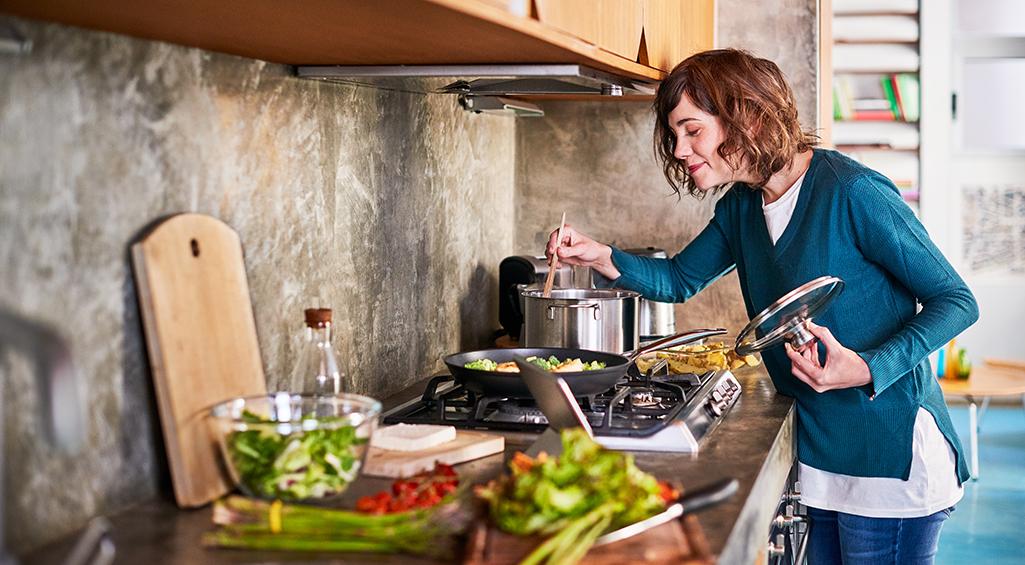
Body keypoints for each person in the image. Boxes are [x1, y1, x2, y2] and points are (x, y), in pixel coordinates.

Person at [546, 49, 978, 565]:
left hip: (889, 451)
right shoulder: (741, 207)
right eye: (675, 135)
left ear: (746, 115)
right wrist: (601, 256)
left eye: (692, 130)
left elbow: (957, 301)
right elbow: (680, 279)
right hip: (819, 451)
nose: (681, 149)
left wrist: (866, 366)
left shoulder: (853, 191)